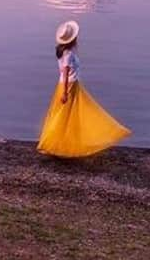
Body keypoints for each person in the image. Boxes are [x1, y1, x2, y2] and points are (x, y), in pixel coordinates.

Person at [37, 19, 131, 157]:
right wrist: (65, 93)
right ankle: (56, 144)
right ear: (73, 39)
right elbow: (65, 71)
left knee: (66, 115)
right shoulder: (68, 54)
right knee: (67, 114)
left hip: (66, 85)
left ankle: (61, 143)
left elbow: (63, 72)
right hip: (69, 86)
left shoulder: (62, 52)